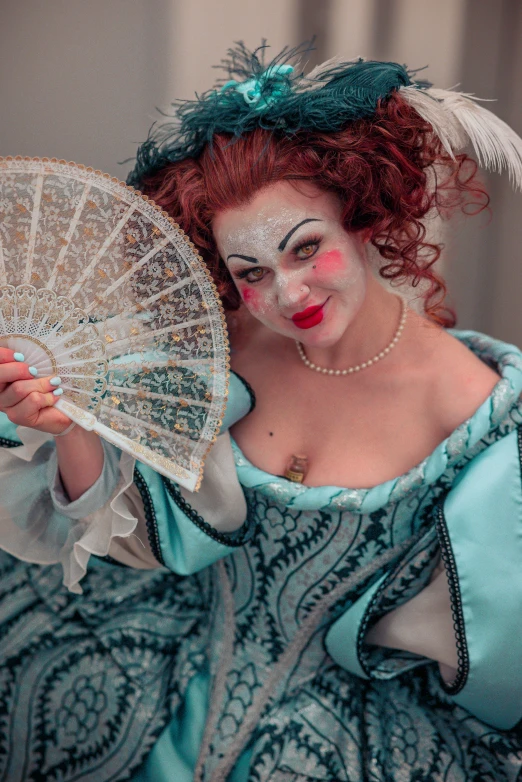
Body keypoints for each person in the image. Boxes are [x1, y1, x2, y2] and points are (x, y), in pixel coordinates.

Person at [1, 43, 522, 781]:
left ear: (363, 220)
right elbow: (137, 536)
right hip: (165, 702)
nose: (289, 295)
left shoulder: (472, 413)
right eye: (251, 273)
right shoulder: (225, 353)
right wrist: (72, 424)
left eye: (306, 249)